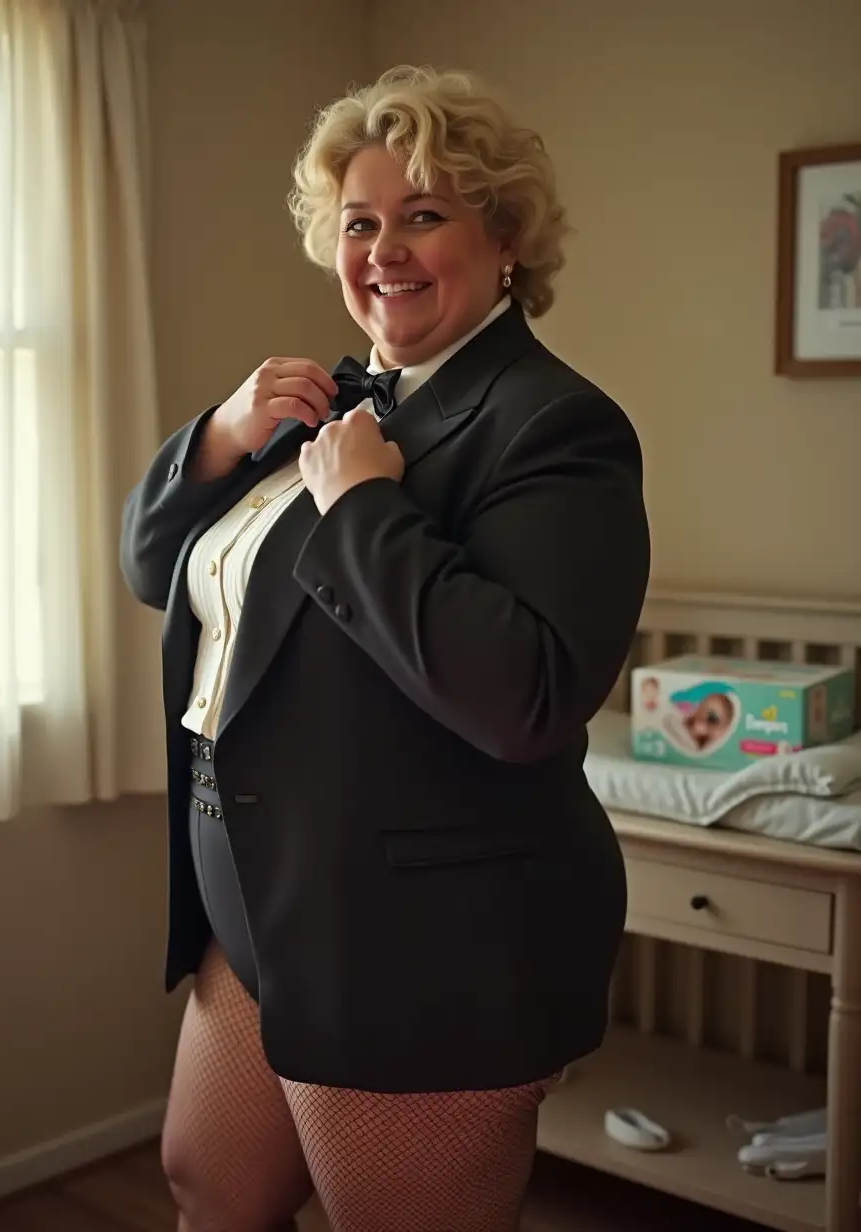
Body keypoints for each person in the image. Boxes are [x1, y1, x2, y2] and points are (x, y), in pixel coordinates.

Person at [120, 64, 650, 1232]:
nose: (383, 249)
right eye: (360, 221)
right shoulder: (331, 409)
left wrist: (364, 512)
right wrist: (218, 434)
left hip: (424, 943)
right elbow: (157, 566)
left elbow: (527, 696)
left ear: (503, 237)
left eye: (424, 215)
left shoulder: (555, 425)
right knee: (210, 1185)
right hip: (256, 904)